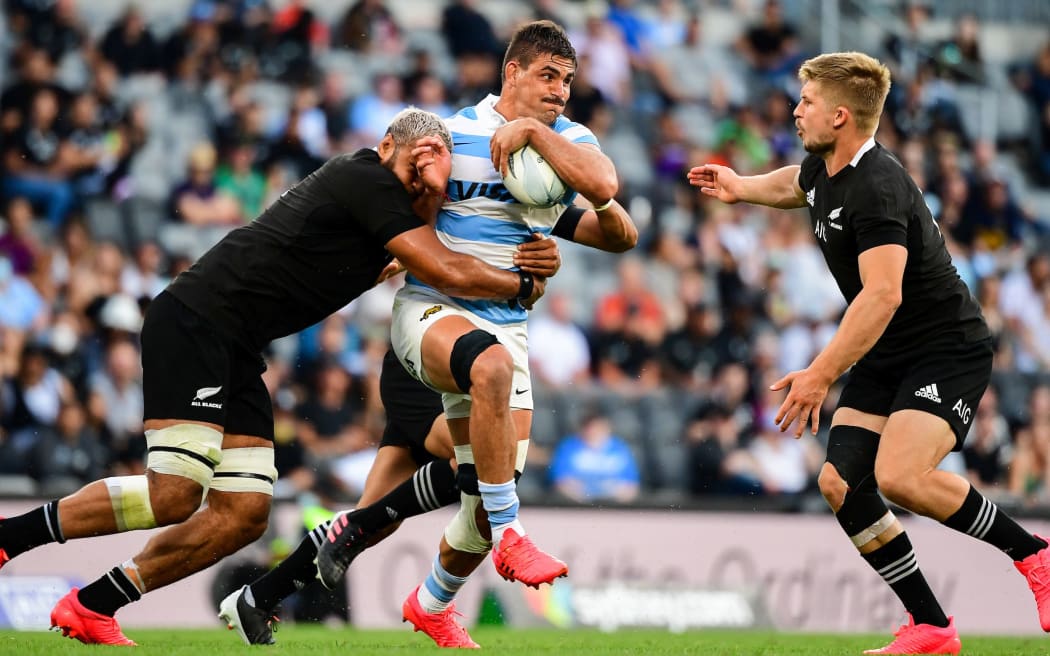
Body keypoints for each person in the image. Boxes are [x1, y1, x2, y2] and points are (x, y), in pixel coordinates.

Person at [0, 107, 561, 646]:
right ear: (386, 146)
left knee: (243, 515)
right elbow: (445, 266)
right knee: (174, 495)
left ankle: (93, 603)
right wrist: (522, 283)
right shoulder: (363, 176)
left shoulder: (387, 215)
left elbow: (440, 248)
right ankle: (9, 538)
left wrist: (447, 196)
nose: (421, 179)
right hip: (197, 321)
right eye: (418, 159)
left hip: (236, 345)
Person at [688, 51, 1050, 655]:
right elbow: (795, 184)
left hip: (945, 348)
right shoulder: (826, 166)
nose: (794, 108)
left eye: (805, 101)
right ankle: (932, 626)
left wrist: (820, 375)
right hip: (889, 353)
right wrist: (740, 187)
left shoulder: (878, 184)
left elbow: (883, 294)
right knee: (839, 483)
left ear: (838, 116)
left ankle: (1036, 556)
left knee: (901, 477)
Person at [317, 20, 637, 649]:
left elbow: (606, 196)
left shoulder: (567, 140)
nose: (560, 91)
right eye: (548, 76)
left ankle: (430, 601)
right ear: (511, 71)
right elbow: (398, 205)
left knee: (482, 498)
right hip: (430, 312)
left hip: (508, 324)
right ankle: (514, 534)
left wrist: (534, 135)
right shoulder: (449, 134)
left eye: (568, 80)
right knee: (487, 390)